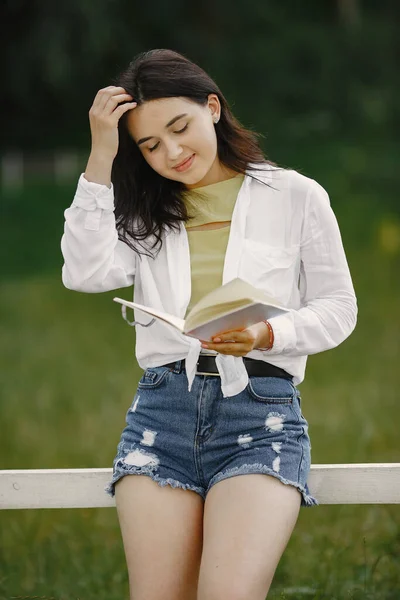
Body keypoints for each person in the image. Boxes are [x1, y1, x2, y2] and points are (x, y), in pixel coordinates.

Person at [61, 48, 357, 600]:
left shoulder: (294, 195)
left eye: (180, 128)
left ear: (213, 108)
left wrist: (268, 334)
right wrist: (101, 155)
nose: (171, 152)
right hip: (161, 412)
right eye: (149, 145)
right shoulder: (141, 210)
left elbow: (339, 306)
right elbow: (83, 272)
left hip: (260, 413)